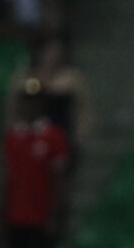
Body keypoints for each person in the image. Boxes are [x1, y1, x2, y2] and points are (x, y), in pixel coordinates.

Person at [0, 84, 69, 248]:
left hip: (41, 216)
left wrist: (56, 214)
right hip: (16, 216)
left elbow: (59, 179)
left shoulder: (52, 136)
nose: (27, 107)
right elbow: (8, 178)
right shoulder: (13, 137)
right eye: (23, 101)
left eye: (32, 101)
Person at [5, 38, 89, 166]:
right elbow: (13, 100)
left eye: (57, 52)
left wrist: (81, 132)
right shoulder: (28, 76)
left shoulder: (71, 78)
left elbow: (83, 108)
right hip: (34, 134)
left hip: (63, 131)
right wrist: (12, 125)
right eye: (49, 52)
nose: (52, 56)